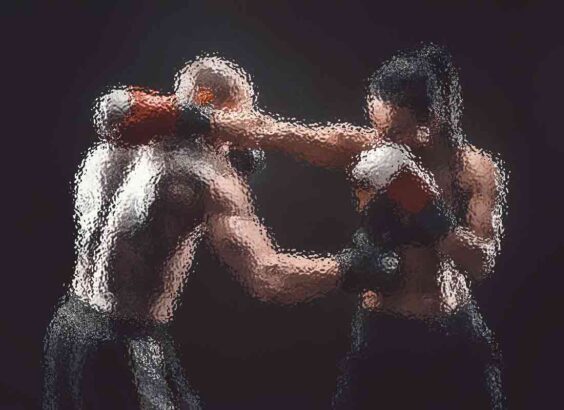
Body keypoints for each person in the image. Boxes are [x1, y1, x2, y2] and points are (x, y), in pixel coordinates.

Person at [43, 56, 399, 409]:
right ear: (209, 107)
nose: (241, 132)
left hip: (68, 328)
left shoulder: (111, 146)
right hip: (126, 344)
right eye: (239, 117)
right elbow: (268, 277)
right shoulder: (207, 178)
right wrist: (352, 267)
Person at [209, 44, 508, 409]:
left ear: (430, 124)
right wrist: (186, 117)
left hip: (453, 331)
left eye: (395, 132)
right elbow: (271, 130)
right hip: (383, 332)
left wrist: (424, 206)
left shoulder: (474, 171)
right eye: (378, 128)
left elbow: (481, 261)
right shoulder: (361, 148)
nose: (382, 142)